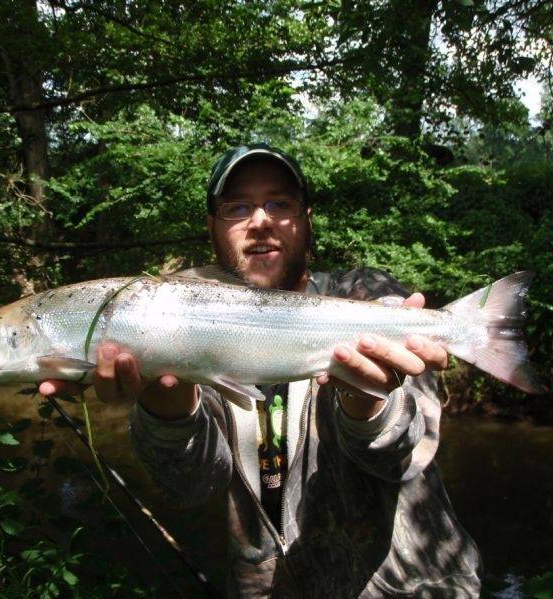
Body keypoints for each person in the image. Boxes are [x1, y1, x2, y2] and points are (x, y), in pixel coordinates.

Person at [40, 144, 482, 597]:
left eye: (279, 204)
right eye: (238, 207)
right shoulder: (186, 321)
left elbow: (404, 458)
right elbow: (192, 488)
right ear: (212, 226)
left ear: (307, 220)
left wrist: (365, 400)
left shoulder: (368, 297)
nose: (261, 221)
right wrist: (168, 410)